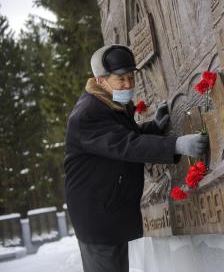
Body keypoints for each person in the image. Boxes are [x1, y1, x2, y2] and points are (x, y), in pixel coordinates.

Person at [64, 44, 208, 272]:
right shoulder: (88, 114)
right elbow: (124, 145)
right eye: (121, 79)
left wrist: (154, 128)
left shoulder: (109, 103)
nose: (128, 84)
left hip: (108, 208)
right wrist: (177, 145)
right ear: (101, 80)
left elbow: (123, 137)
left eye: (131, 77)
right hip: (97, 215)